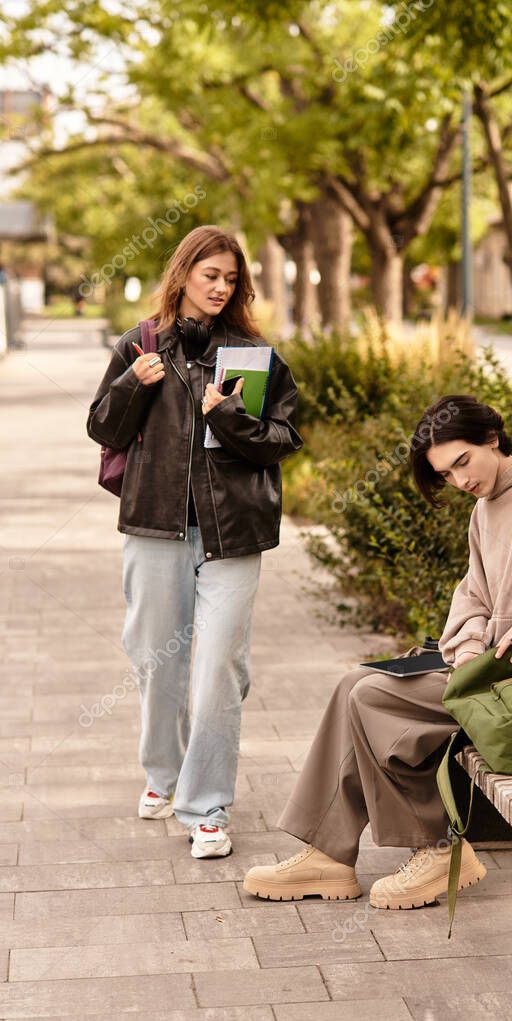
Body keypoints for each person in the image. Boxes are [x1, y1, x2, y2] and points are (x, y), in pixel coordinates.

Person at [243, 394, 512, 908]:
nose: (461, 481)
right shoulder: (484, 511)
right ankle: (328, 855)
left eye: (463, 462)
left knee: (372, 700)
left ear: (492, 439)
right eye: (446, 474)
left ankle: (437, 851)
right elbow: (473, 596)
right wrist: (472, 644)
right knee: (354, 684)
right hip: (495, 676)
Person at [87, 225, 302, 858]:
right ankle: (161, 773)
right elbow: (101, 426)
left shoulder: (253, 355)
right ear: (182, 275)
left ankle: (207, 807)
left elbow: (285, 440)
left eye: (231, 279)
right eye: (210, 275)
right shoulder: (139, 344)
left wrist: (227, 415)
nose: (221, 288)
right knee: (157, 661)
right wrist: (134, 383)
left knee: (217, 668)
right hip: (154, 525)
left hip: (232, 533)